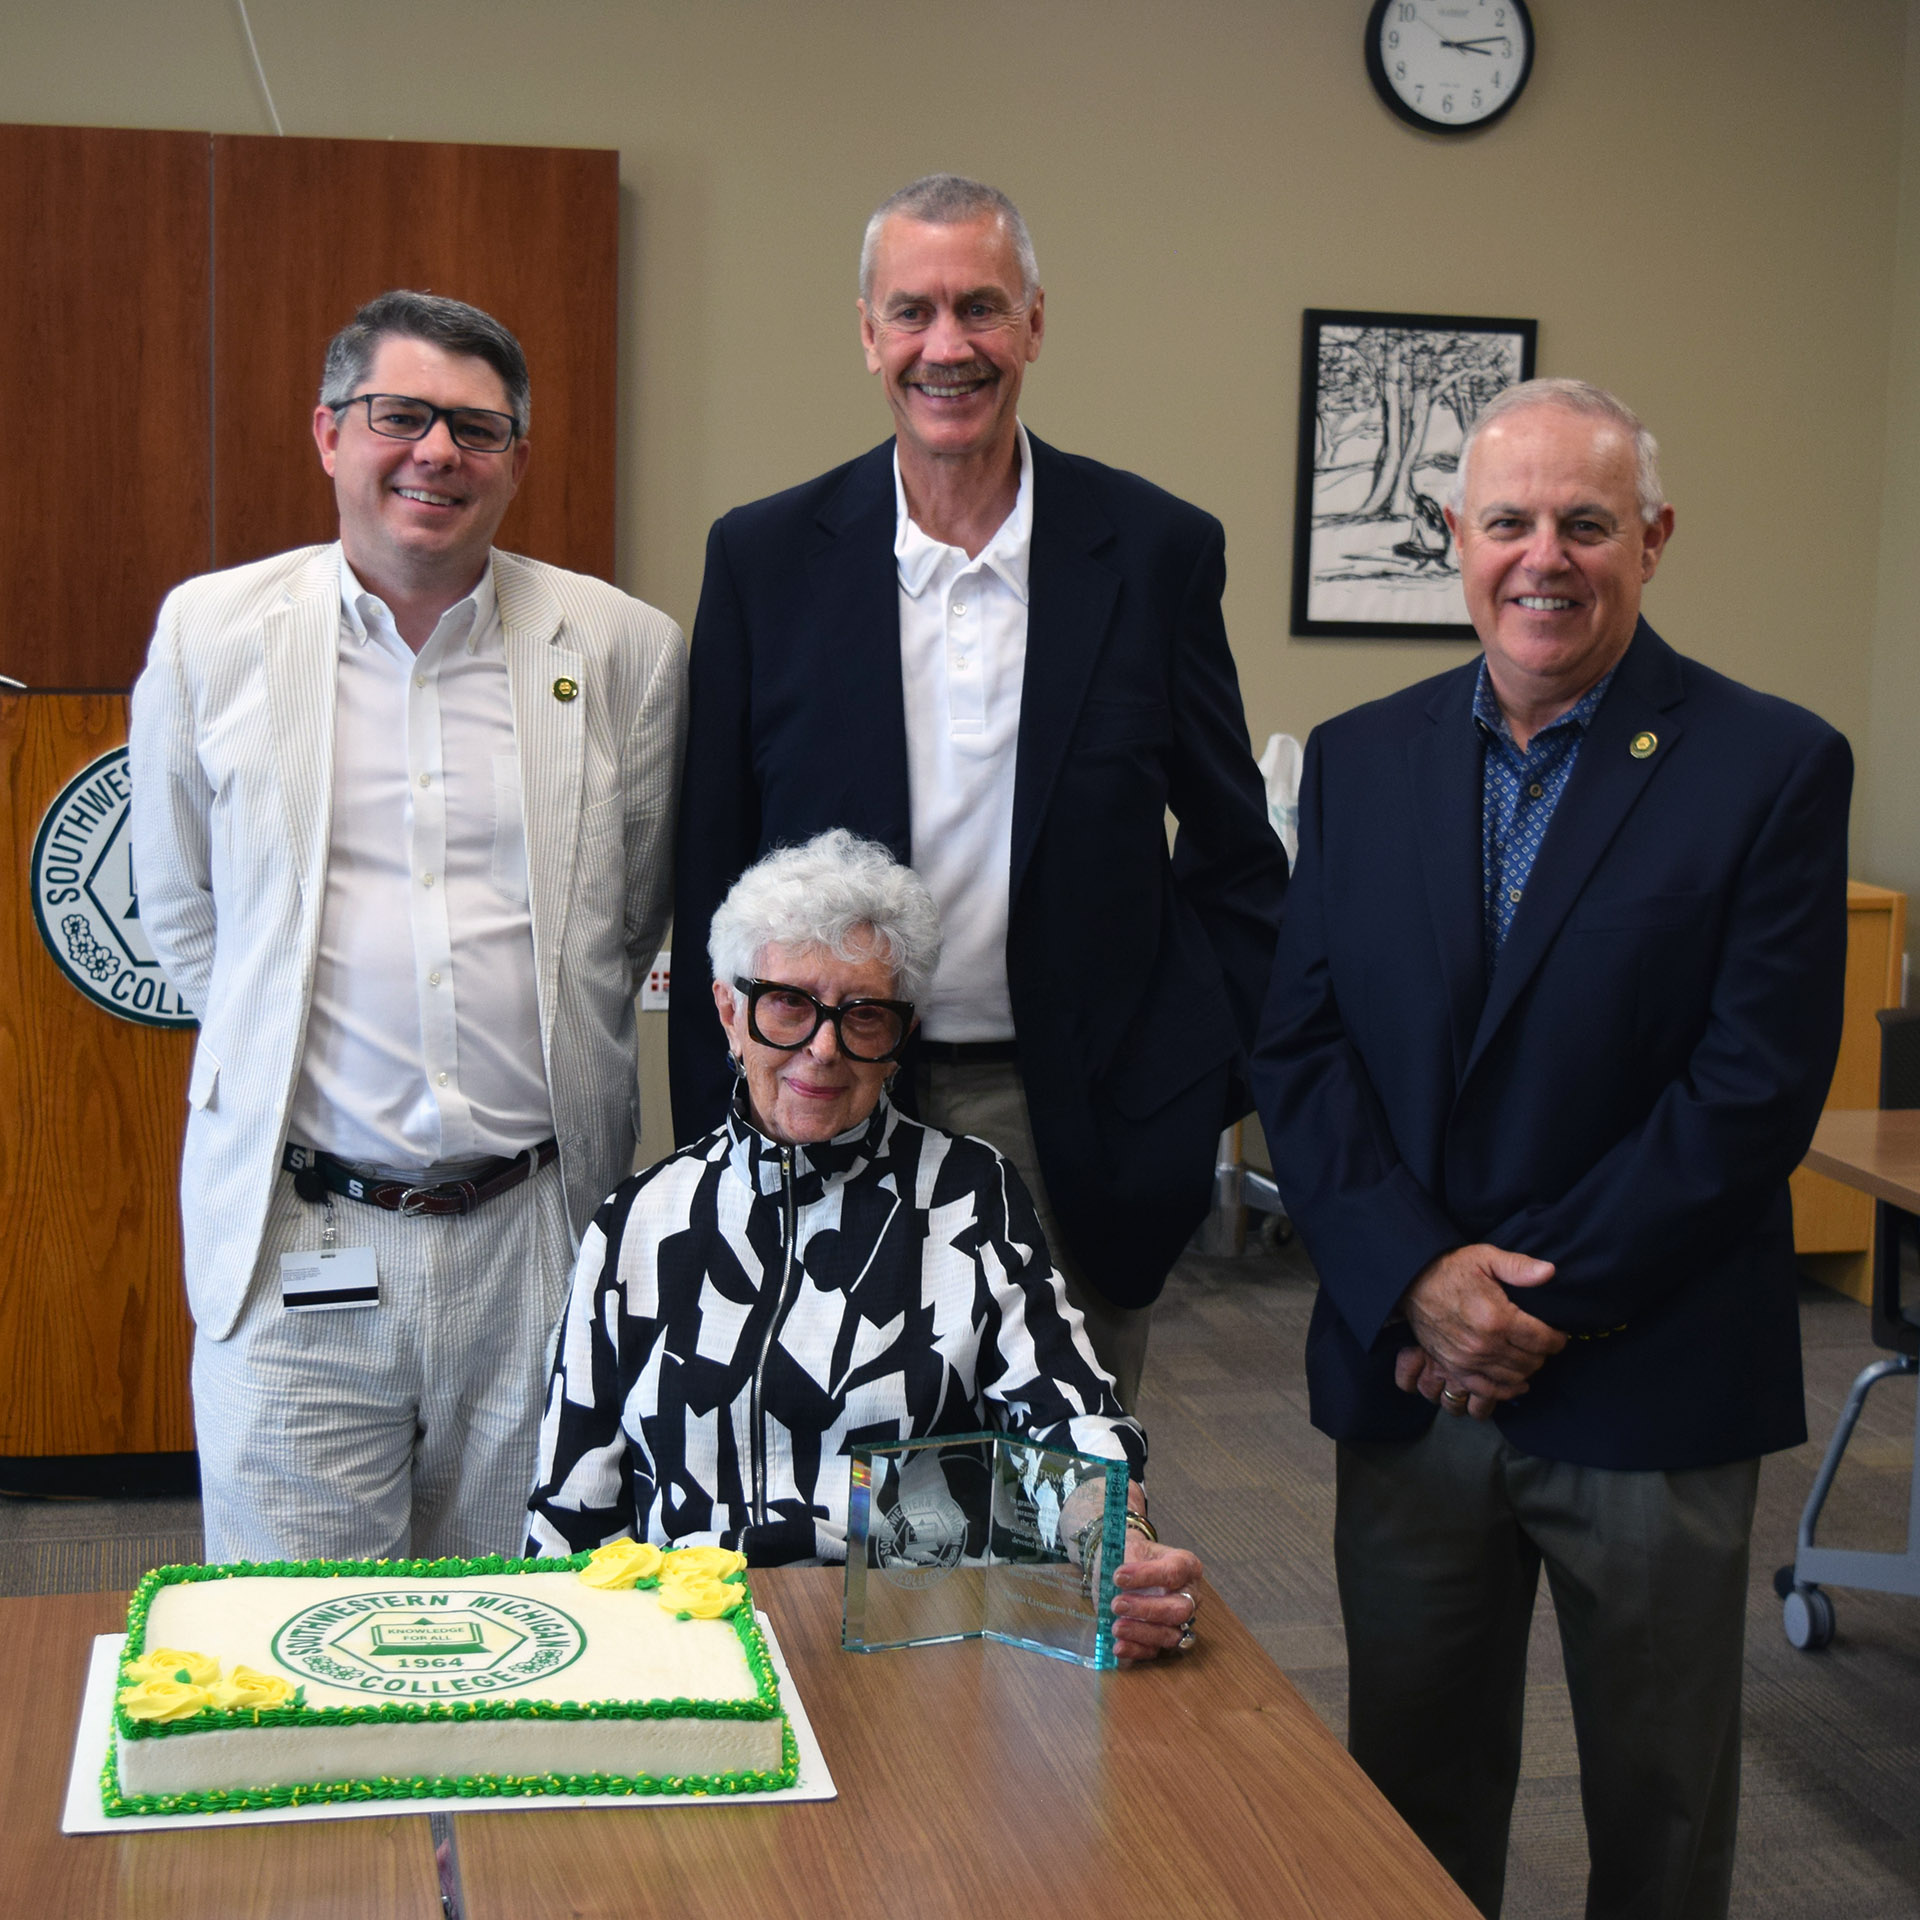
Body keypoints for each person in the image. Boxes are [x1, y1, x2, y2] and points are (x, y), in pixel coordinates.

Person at [1253, 378, 1851, 1918]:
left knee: (1660, 1815)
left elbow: (1749, 1090)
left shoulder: (1770, 766)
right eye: (1507, 521)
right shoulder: (1360, 761)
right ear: (1453, 539)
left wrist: (1519, 1306)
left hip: (1645, 1379)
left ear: (1651, 540)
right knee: (1408, 1803)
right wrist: (1417, 1281)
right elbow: (1305, 1054)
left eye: (1586, 523)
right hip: (1409, 1384)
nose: (1545, 557)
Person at [668, 174, 1287, 1410]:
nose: (947, 346)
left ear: (1035, 325)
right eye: (913, 313)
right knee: (825, 1480)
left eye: (981, 309)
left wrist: (1186, 1088)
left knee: (1043, 1515)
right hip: (827, 1085)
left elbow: (1234, 853)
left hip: (1071, 1123)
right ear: (866, 334)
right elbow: (713, 870)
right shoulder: (765, 558)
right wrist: (719, 1143)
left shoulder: (1155, 553)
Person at [130, 290, 687, 1564]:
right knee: (295, 1656)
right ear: (329, 434)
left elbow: (630, 912)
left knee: (527, 1639)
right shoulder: (214, 634)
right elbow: (183, 910)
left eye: (478, 430)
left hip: (537, 1235)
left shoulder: (617, 648)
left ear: (517, 462)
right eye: (402, 416)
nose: (438, 452)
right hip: (300, 1236)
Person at [531, 831, 1203, 1661]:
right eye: (788, 1004)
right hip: (687, 1646)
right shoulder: (638, 1222)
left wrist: (1115, 1533)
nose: (823, 1048)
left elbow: (1073, 1416)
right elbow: (569, 1510)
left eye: (864, 1016)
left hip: (911, 1640)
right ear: (729, 1012)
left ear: (900, 1036)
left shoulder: (966, 1195)